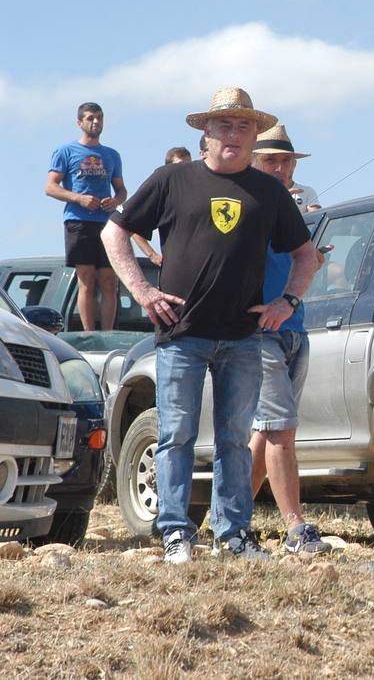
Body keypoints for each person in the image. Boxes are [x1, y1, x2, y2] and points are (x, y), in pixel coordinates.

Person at [102, 87, 319, 563]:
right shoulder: (172, 179)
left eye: (245, 126)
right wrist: (142, 291)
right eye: (225, 125)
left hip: (245, 336)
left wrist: (287, 300)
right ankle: (177, 532)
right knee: (176, 434)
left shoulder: (269, 191)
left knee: (235, 440)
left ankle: (232, 535)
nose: (235, 134)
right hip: (181, 333)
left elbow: (307, 256)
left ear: (255, 136)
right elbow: (113, 231)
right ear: (206, 132)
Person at [248, 123, 331, 556]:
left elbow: (306, 264)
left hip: (294, 330)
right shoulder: (247, 205)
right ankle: (295, 526)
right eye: (271, 160)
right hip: (261, 331)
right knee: (281, 429)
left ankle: (235, 516)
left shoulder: (289, 211)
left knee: (266, 432)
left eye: (286, 161)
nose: (281, 169)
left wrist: (311, 257)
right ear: (254, 161)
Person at [45, 102, 127, 331]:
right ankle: (90, 335)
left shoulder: (111, 155)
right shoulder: (66, 151)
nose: (96, 122)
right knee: (87, 280)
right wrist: (79, 198)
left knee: (110, 281)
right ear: (80, 122)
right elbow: (50, 187)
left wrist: (115, 201)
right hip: (79, 221)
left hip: (107, 223)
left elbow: (121, 190)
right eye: (90, 118)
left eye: (99, 117)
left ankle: (108, 334)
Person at [133, 147, 196, 266]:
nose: (185, 169)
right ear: (168, 169)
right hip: (175, 268)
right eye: (180, 165)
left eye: (189, 165)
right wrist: (152, 255)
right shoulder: (164, 196)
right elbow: (133, 225)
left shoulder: (200, 192)